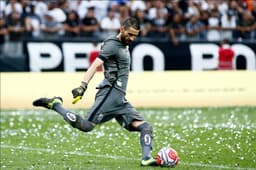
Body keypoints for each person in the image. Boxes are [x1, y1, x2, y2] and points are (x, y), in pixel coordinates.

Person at [32, 17, 157, 166]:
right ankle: (56, 104)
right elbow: (95, 65)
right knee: (86, 126)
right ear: (121, 29)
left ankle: (146, 158)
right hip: (110, 93)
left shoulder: (122, 43)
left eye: (135, 35)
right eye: (130, 34)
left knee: (145, 127)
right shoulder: (112, 45)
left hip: (120, 98)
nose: (132, 38)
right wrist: (83, 86)